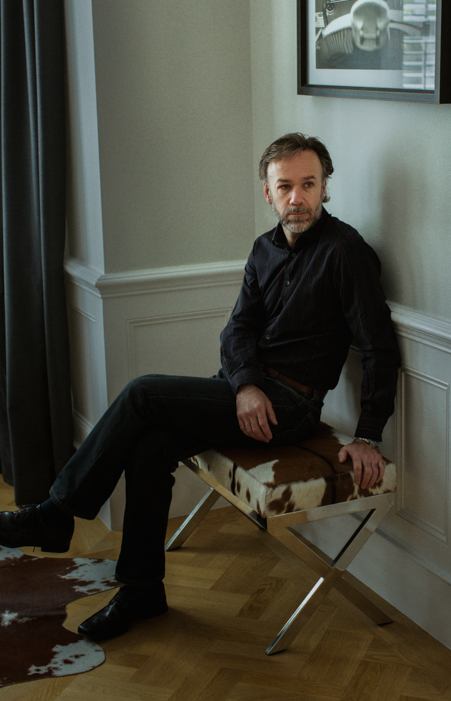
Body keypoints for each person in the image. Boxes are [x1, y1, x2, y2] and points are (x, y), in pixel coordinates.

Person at [0, 133, 400, 641]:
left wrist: (367, 435)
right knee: (149, 447)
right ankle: (143, 589)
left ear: (325, 189)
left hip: (292, 405)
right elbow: (236, 331)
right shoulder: (264, 249)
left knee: (143, 392)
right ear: (267, 193)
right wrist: (245, 386)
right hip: (247, 393)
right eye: (285, 186)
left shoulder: (347, 253)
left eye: (308, 184)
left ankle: (55, 516)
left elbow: (381, 347)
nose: (297, 197)